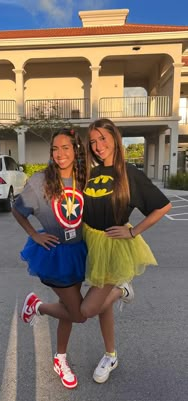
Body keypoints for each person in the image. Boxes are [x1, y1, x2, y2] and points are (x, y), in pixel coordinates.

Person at [80, 118, 172, 384]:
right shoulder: (90, 173)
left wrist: (133, 231)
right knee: (102, 307)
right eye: (93, 141)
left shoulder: (129, 174)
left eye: (103, 139)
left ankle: (123, 289)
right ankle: (110, 354)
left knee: (87, 309)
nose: (98, 146)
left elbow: (162, 207)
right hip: (91, 243)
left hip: (113, 246)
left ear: (115, 139)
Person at [12, 128, 88, 389]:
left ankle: (60, 359)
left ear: (76, 149)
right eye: (55, 149)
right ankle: (37, 307)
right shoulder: (40, 181)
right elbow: (17, 209)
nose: (59, 154)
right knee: (78, 314)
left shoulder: (83, 177)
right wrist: (35, 235)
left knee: (68, 310)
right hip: (54, 255)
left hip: (79, 251)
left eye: (65, 147)